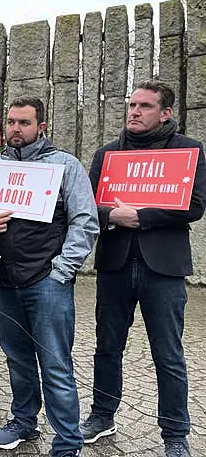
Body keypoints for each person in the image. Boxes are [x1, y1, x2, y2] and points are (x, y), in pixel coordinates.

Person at [81, 81, 206, 457]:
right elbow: (87, 206)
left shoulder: (190, 150)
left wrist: (143, 217)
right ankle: (102, 415)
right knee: (106, 347)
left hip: (163, 269)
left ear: (165, 112)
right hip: (114, 265)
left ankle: (175, 433)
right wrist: (111, 215)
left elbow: (195, 205)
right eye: (131, 104)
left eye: (144, 106)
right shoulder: (107, 154)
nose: (134, 112)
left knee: (167, 354)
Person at [0, 97, 98, 457]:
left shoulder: (66, 165)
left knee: (55, 365)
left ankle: (67, 442)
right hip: (3, 283)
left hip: (47, 283)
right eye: (11, 122)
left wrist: (61, 272)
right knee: (17, 360)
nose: (16, 129)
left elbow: (85, 222)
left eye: (24, 123)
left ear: (41, 127)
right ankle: (24, 421)